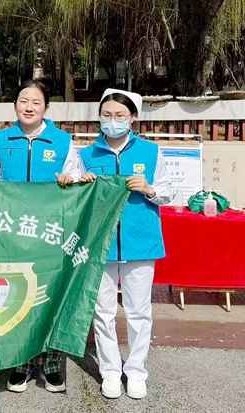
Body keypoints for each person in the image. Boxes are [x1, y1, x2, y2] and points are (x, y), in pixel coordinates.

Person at [0, 80, 80, 393]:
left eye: (36, 102)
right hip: (12, 231)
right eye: (23, 101)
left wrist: (70, 179)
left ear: (46, 108)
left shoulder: (62, 141)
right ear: (15, 106)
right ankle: (20, 362)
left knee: (48, 295)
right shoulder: (0, 139)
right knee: (17, 294)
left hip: (49, 232)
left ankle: (50, 364)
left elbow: (76, 177)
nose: (29, 107)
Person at [78, 89, 173, 400]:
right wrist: (83, 187)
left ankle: (135, 371)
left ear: (133, 118)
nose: (113, 121)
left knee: (139, 311)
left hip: (140, 242)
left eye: (120, 115)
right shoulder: (86, 156)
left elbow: (168, 192)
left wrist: (149, 188)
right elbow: (76, 198)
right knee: (102, 311)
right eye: (107, 115)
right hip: (100, 243)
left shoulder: (151, 152)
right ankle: (109, 371)